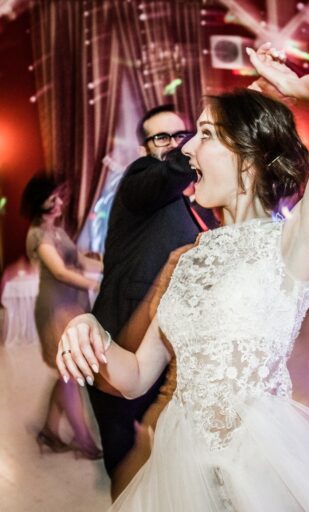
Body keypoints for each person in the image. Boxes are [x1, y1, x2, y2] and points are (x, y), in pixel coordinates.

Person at [57, 44, 309, 510]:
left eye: (207, 135)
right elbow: (134, 377)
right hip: (181, 469)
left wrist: (294, 87)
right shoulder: (192, 258)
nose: (188, 146)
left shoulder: (293, 239)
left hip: (255, 474)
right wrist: (90, 331)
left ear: (249, 159)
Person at [87, 104, 208, 497]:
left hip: (159, 349)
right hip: (119, 340)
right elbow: (171, 171)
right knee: (126, 462)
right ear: (144, 150)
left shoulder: (189, 205)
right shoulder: (140, 179)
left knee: (157, 455)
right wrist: (197, 143)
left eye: (180, 136)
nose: (174, 145)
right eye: (162, 138)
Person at [20, 173, 102, 459]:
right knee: (70, 375)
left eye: (58, 197)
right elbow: (60, 271)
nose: (58, 203)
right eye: (52, 199)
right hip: (56, 310)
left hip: (72, 307)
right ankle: (83, 440)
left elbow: (78, 260)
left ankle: (50, 431)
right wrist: (95, 283)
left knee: (67, 374)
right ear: (38, 203)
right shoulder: (38, 234)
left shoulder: (57, 230)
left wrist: (109, 265)